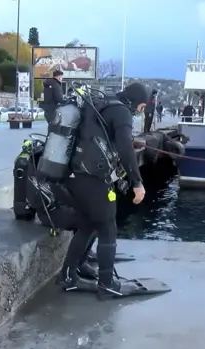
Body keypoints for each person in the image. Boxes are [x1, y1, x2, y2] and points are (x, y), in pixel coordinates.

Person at [59, 82, 148, 298]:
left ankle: (70, 275)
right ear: (138, 102)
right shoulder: (122, 112)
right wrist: (137, 183)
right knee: (108, 226)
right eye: (142, 107)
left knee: (88, 225)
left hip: (74, 174)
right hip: (93, 177)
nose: (140, 111)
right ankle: (107, 284)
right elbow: (125, 148)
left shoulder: (101, 103)